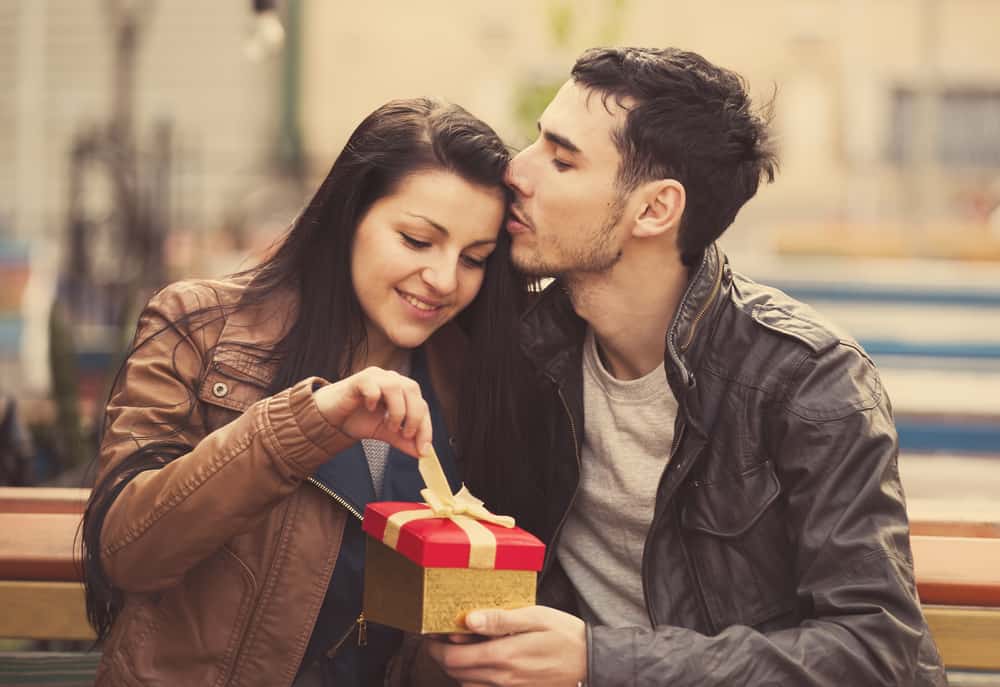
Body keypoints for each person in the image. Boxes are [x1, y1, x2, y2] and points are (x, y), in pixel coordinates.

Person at [428, 47, 946, 686]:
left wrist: (600, 662)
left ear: (653, 209)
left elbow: (873, 653)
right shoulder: (527, 350)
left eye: (562, 159)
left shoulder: (808, 381)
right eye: (536, 142)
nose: (516, 170)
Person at [79, 96, 528, 687]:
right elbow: (130, 552)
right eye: (417, 241)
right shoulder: (200, 327)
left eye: (474, 258)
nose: (444, 280)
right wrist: (306, 423)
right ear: (349, 218)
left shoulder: (472, 382)